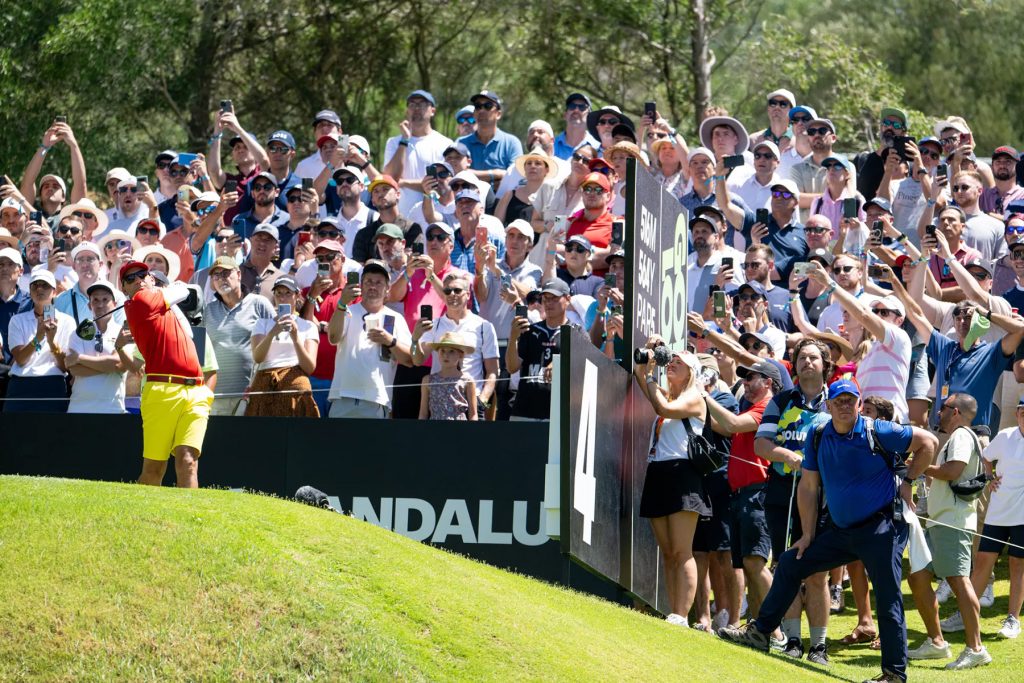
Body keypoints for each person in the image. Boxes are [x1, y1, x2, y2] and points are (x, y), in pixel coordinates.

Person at [719, 378, 938, 683]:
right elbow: (808, 487)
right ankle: (760, 633)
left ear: (859, 404)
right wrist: (808, 535)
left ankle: (893, 674)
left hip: (881, 527)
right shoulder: (819, 434)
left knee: (888, 599)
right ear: (829, 406)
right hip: (840, 529)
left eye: (851, 400)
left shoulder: (879, 430)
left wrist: (908, 480)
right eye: (840, 401)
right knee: (792, 563)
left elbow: (929, 443)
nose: (846, 405)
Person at [752, 338, 833, 663]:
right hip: (782, 494)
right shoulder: (782, 400)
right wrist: (786, 454)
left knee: (817, 574)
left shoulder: (837, 401)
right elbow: (761, 444)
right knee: (787, 567)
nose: (806, 363)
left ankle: (819, 646)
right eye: (801, 358)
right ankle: (793, 640)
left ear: (825, 364)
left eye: (813, 358)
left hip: (822, 497)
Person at [906, 393, 991, 669]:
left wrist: (918, 467)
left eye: (942, 408)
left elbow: (953, 471)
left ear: (955, 412)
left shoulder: (962, 436)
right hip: (940, 521)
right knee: (918, 577)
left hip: (952, 522)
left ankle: (976, 648)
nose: (938, 412)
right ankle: (936, 642)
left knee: (958, 582)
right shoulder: (959, 436)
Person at [632, 343, 709, 628]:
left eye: (680, 361)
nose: (673, 363)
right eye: (671, 360)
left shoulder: (695, 397)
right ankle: (673, 611)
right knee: (667, 551)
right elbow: (641, 376)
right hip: (658, 471)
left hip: (683, 473)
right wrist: (649, 355)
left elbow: (660, 405)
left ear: (692, 372)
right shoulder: (668, 395)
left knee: (681, 550)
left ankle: (681, 614)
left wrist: (651, 378)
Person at [118, 260, 212, 488]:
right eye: (130, 279)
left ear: (151, 277)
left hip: (197, 390)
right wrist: (164, 288)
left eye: (142, 275)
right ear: (124, 289)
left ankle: (190, 520)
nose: (138, 280)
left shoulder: (164, 306)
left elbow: (189, 329)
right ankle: (141, 521)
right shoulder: (139, 302)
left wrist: (162, 292)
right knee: (154, 469)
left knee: (189, 461)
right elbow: (181, 289)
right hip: (163, 390)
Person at [705, 360, 780, 639]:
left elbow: (733, 424)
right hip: (741, 496)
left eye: (752, 378)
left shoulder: (767, 408)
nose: (745, 383)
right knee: (748, 566)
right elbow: (727, 427)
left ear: (768, 382)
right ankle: (761, 629)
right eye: (744, 378)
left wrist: (704, 396)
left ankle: (776, 632)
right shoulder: (751, 408)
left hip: (757, 494)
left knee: (755, 563)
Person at [327, 259, 413, 418]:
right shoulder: (347, 311)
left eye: (379, 282)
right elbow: (333, 338)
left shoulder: (394, 318)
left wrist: (390, 341)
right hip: (343, 397)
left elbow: (409, 360)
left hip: (377, 401)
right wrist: (341, 304)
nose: (373, 286)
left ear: (388, 288)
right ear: (361, 285)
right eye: (368, 281)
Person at [412, 272, 499, 419]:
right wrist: (415, 340)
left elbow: (493, 371)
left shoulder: (484, 326)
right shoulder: (434, 325)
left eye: (457, 290)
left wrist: (482, 401)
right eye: (447, 291)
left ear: (468, 295)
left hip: (473, 403)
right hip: (439, 403)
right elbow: (418, 361)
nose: (452, 294)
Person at [204, 255, 274, 416]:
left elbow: (277, 344)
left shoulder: (259, 304)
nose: (221, 279)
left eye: (225, 274)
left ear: (239, 274)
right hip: (216, 396)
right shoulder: (208, 310)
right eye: (216, 275)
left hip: (251, 395)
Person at [246, 276, 319, 417]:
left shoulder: (308, 326)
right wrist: (273, 332)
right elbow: (258, 357)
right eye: (278, 293)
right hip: (264, 383)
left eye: (288, 293)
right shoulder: (262, 323)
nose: (282, 298)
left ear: (297, 296)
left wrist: (295, 336)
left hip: (295, 383)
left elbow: (309, 367)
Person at [4, 269, 73, 412]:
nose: (39, 289)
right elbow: (21, 359)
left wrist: (51, 342)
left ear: (54, 292)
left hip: (53, 384)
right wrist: (38, 338)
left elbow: (64, 366)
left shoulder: (67, 322)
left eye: (45, 285)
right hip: (21, 386)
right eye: (35, 285)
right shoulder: (17, 321)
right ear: (29, 291)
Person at [507, 278, 573, 421]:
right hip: (524, 409)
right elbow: (512, 367)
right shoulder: (530, 331)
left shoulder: (577, 332)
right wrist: (513, 337)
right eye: (545, 299)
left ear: (567, 299)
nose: (548, 303)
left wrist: (560, 362)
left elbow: (583, 365)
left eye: (554, 298)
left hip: (558, 413)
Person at [383, 90, 453, 215]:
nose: (416, 108)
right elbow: (390, 179)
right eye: (412, 105)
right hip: (402, 217)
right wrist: (404, 140)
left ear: (433, 111)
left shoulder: (446, 144)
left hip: (435, 218)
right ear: (407, 111)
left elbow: (443, 184)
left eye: (422, 104)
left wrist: (405, 183)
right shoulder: (394, 142)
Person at [65, 281, 128, 414]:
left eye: (105, 299)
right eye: (95, 300)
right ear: (89, 305)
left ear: (115, 304)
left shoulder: (122, 333)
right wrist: (109, 366)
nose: (100, 305)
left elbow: (119, 365)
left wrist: (79, 358)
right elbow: (75, 370)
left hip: (112, 408)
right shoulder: (78, 333)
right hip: (79, 408)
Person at [457, 91, 523, 188]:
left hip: (503, 202)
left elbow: (515, 179)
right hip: (468, 202)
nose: (481, 110)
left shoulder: (512, 143)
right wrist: (496, 174)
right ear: (474, 113)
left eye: (488, 106)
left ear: (498, 114)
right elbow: (459, 174)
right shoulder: (462, 143)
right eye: (478, 106)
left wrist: (472, 177)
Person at [418, 331, 478, 421]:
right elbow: (423, 413)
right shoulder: (428, 380)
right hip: (434, 430)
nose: (446, 355)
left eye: (451, 351)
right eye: (442, 351)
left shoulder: (467, 381)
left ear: (461, 354)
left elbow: (473, 414)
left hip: (459, 431)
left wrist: (472, 433)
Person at [553, 93, 600, 161]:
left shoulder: (597, 148)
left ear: (589, 117)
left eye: (582, 107)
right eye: (572, 106)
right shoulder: (552, 145)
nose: (576, 110)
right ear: (565, 115)